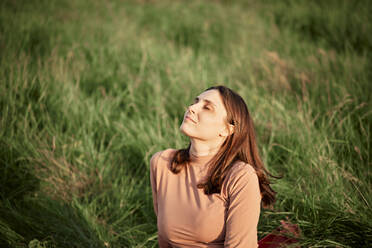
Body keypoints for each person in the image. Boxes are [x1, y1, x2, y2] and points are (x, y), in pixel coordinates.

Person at [150, 85, 277, 248]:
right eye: (195, 102)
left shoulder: (241, 176)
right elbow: (165, 241)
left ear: (227, 129)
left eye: (207, 107)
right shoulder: (162, 163)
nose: (192, 108)